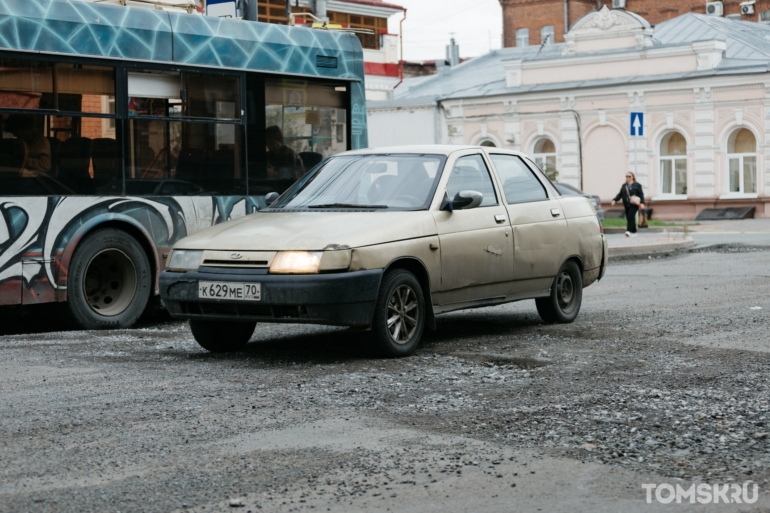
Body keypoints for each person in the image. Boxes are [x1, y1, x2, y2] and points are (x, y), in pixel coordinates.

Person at [611, 171, 645, 237]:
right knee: (630, 217)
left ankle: (628, 231)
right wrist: (615, 200)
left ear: (633, 177)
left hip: (634, 204)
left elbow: (641, 194)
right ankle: (634, 232)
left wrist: (642, 203)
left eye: (629, 176)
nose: (628, 177)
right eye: (626, 176)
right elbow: (620, 194)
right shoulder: (624, 185)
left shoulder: (637, 185)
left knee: (630, 216)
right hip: (626, 204)